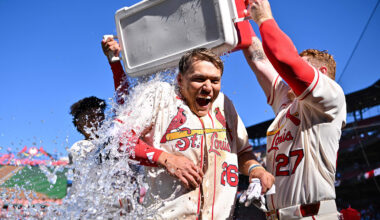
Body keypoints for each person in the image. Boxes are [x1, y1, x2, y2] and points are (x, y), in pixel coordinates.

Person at [101, 37, 274, 219]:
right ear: (180, 79)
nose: (208, 87)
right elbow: (118, 139)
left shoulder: (224, 104)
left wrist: (256, 170)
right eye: (199, 79)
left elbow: (242, 153)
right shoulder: (160, 95)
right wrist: (165, 159)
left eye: (215, 80)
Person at [241, 0, 347, 219]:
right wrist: (237, 14)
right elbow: (257, 56)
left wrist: (264, 19)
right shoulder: (287, 102)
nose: (286, 77)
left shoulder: (330, 96)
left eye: (304, 63)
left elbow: (285, 60)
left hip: (312, 215)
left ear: (323, 72)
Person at [68, 96, 106, 162]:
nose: (96, 120)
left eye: (100, 115)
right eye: (91, 117)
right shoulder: (80, 147)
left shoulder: (112, 141)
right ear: (79, 124)